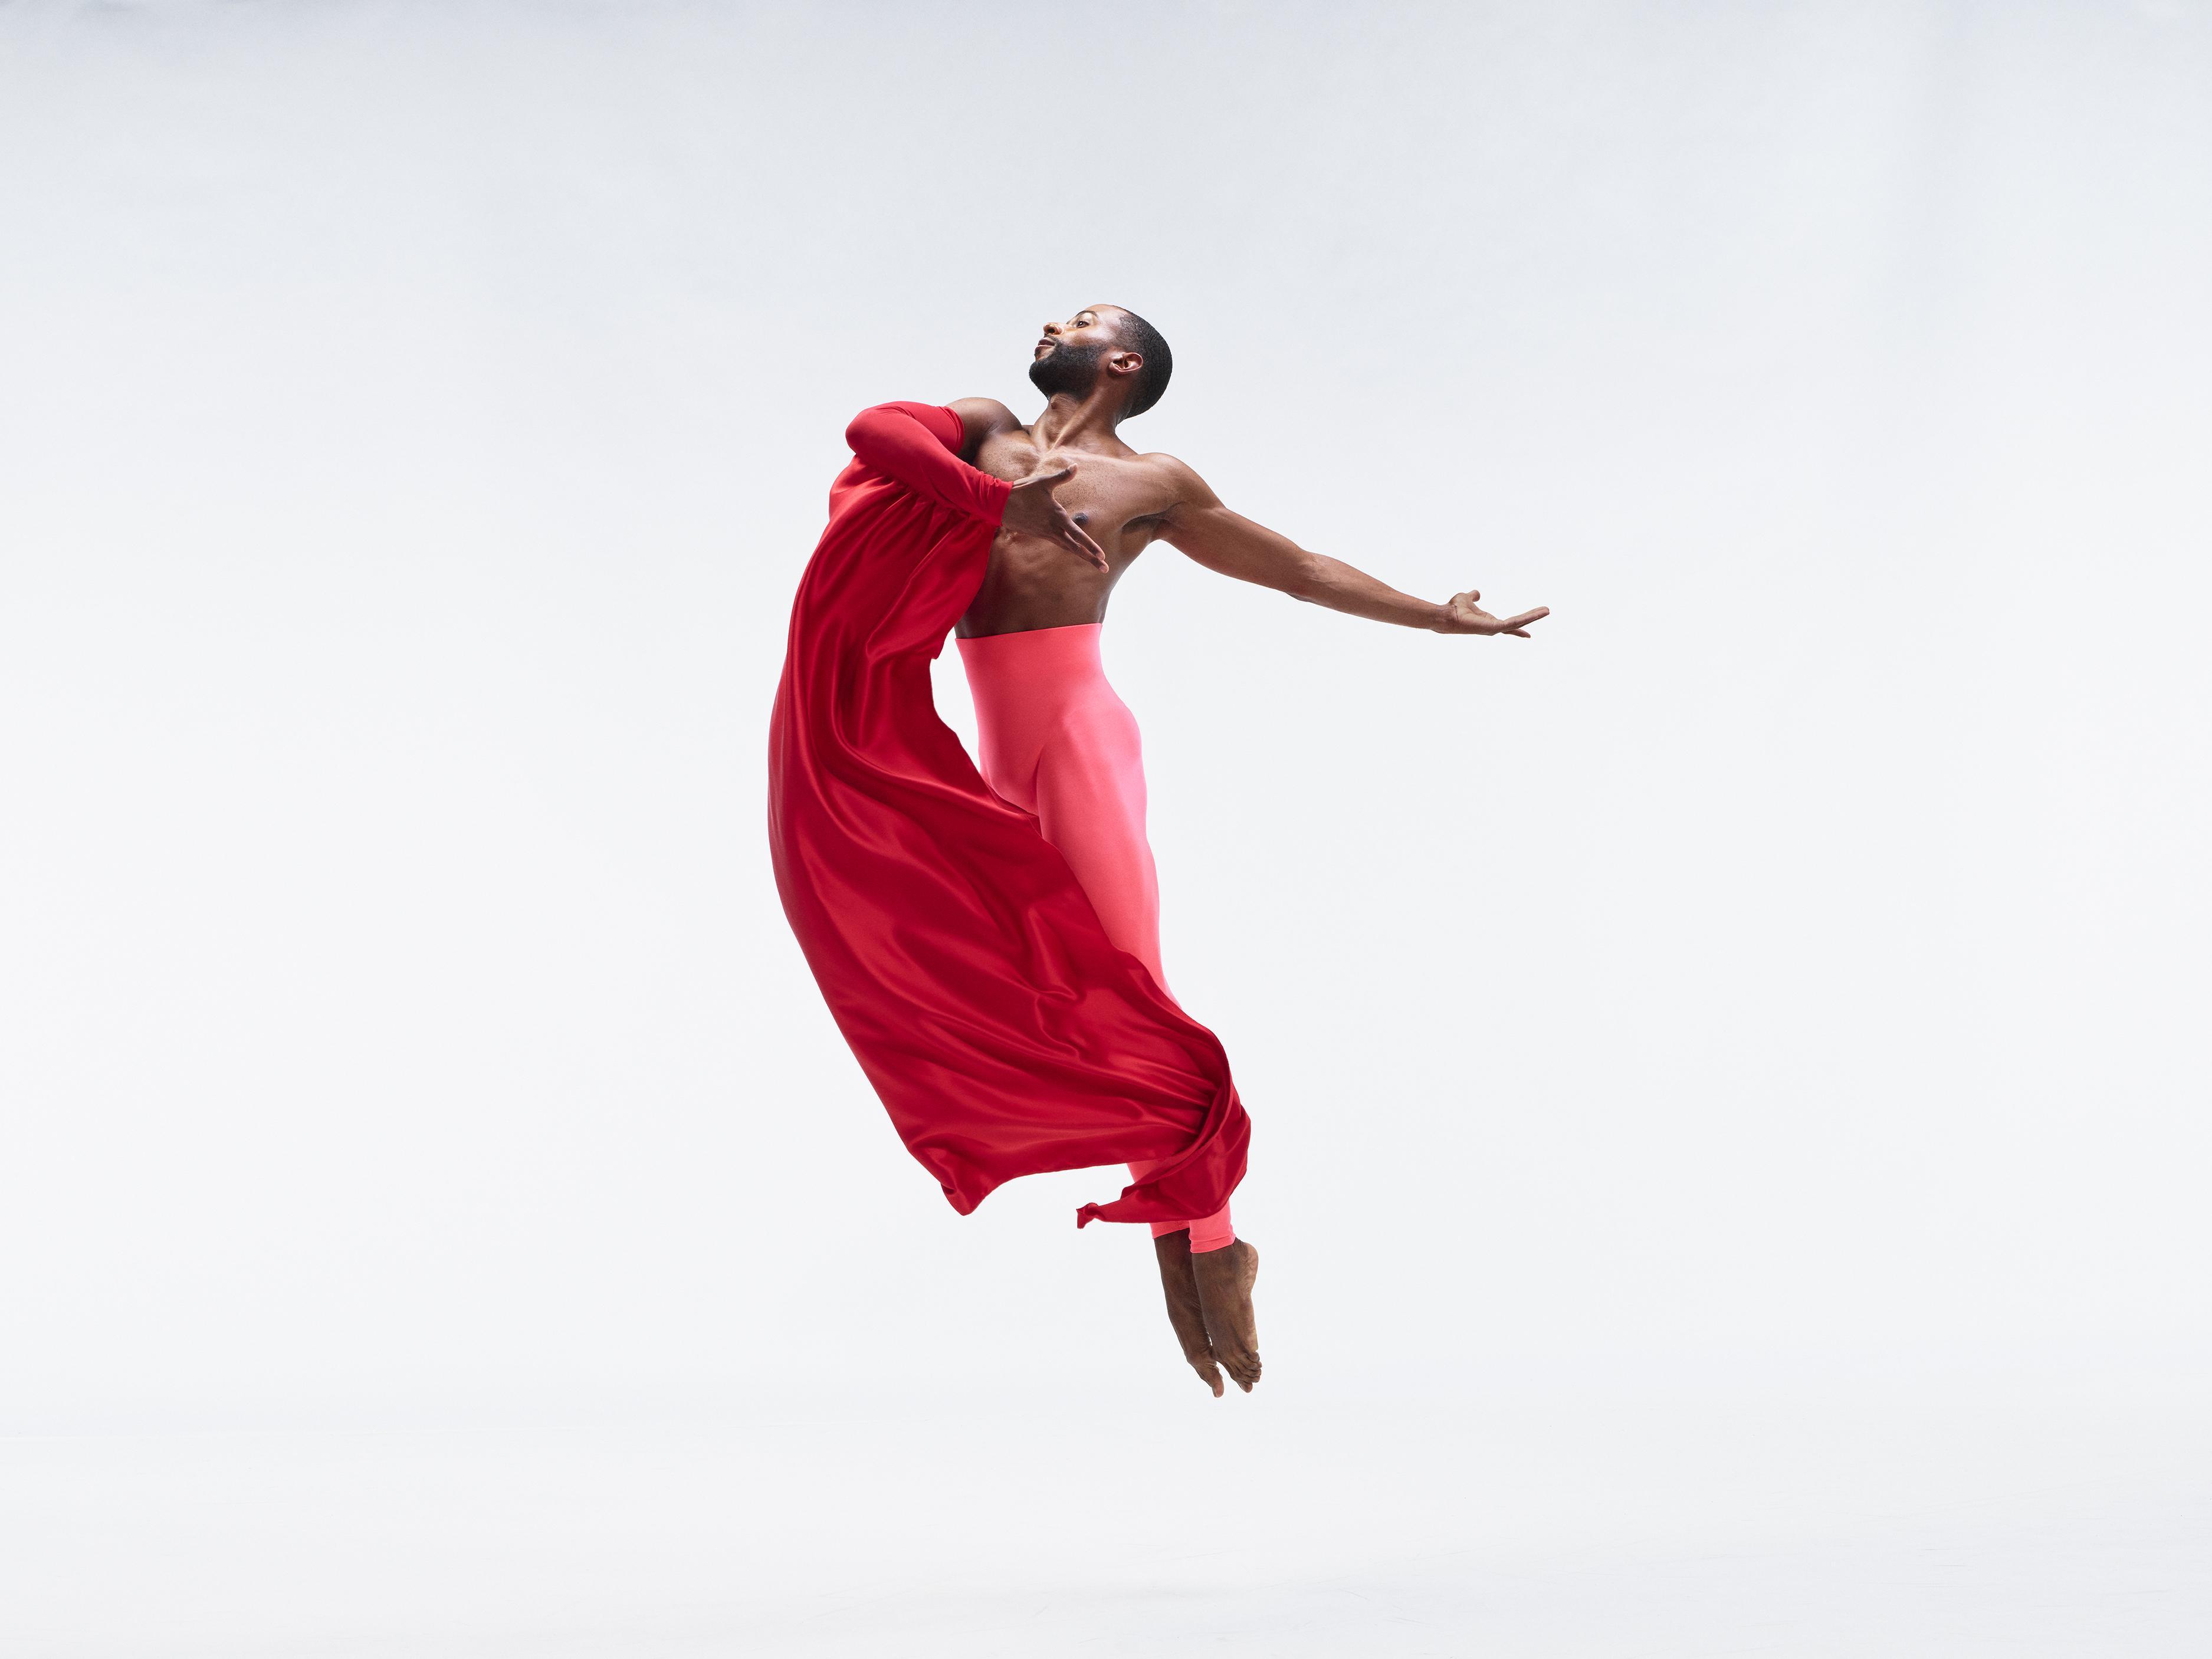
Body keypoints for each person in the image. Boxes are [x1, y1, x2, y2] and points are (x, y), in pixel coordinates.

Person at [768, 305, 1547, 1398]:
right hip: (991, 754)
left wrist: (1433, 617)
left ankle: (1207, 1247)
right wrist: (995, 496)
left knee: (1128, 994)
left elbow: (1296, 568)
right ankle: (1194, 1241)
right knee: (1036, 989)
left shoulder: (1152, 483)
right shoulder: (982, 432)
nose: (1051, 322)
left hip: (1079, 739)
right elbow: (871, 432)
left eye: (1080, 319)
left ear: (1123, 363)